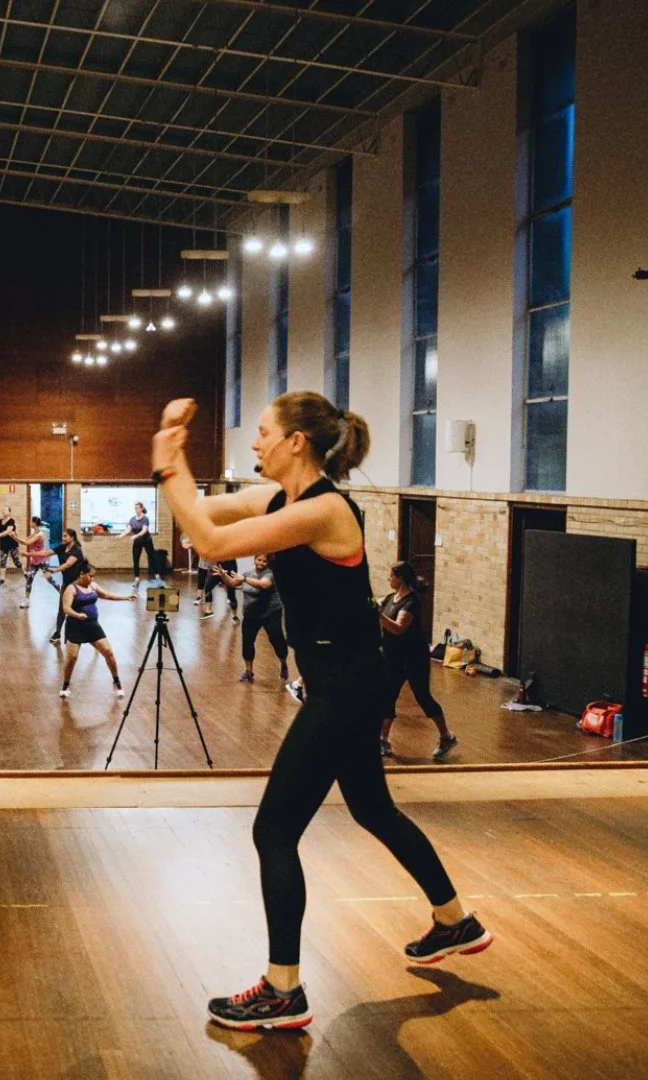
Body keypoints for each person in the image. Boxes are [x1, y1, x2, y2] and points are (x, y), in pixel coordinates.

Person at [153, 391, 492, 1031]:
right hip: (348, 681)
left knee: (273, 830)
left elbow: (208, 542)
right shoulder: (278, 500)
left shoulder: (325, 510)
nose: (254, 445)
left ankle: (284, 991)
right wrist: (171, 456)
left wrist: (166, 462)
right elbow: (198, 512)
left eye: (261, 434)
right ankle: (455, 921)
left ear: (295, 443)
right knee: (372, 808)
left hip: (344, 687)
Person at [379, 562, 456, 761]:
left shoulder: (411, 602)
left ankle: (446, 736)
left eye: (391, 576)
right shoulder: (390, 598)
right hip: (392, 655)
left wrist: (377, 615)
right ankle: (382, 739)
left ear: (400, 578)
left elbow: (398, 628)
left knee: (422, 696)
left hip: (413, 657)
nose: (389, 580)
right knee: (387, 695)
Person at [58, 561, 136, 700]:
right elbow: (66, 608)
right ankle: (65, 685)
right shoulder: (71, 589)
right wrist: (77, 615)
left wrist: (126, 597)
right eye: (91, 576)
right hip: (75, 627)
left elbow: (107, 595)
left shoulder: (92, 586)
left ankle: (116, 682)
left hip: (93, 626)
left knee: (108, 652)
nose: (93, 579)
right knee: (72, 658)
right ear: (82, 574)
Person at [220, 555, 290, 684]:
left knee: (277, 641)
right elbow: (232, 583)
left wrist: (245, 579)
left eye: (264, 561)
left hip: (270, 613)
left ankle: (283, 663)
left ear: (268, 563)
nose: (261, 563)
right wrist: (223, 575)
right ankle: (248, 672)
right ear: (255, 560)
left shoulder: (270, 574)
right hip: (251, 614)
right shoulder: (247, 573)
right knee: (247, 642)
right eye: (259, 560)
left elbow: (264, 584)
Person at [45, 528, 84, 643]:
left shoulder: (77, 550)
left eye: (65, 536)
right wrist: (28, 553)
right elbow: (47, 553)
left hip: (77, 585)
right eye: (63, 536)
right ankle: (57, 633)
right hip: (66, 583)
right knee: (62, 608)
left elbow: (67, 565)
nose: (63, 538)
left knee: (81, 609)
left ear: (72, 537)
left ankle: (93, 633)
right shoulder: (62, 548)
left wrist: (53, 571)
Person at [15, 516, 54, 609]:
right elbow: (24, 541)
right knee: (29, 579)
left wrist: (13, 535)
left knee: (50, 580)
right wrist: (14, 535)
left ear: (35, 523)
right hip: (35, 560)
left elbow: (26, 543)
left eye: (31, 522)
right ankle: (27, 601)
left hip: (42, 560)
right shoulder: (34, 533)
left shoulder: (39, 534)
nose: (29, 523)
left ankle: (63, 593)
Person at [119, 501, 157, 589]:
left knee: (152, 558)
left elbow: (144, 530)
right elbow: (128, 530)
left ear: (141, 508)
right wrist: (121, 535)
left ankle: (157, 576)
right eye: (135, 508)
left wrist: (135, 535)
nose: (136, 509)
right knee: (136, 560)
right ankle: (136, 579)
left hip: (147, 540)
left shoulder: (145, 519)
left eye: (138, 508)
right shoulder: (132, 519)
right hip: (137, 542)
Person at [200, 559, 239, 623]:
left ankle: (234, 616)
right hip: (219, 570)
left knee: (231, 594)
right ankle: (208, 611)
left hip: (230, 570)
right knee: (208, 587)